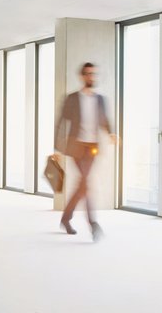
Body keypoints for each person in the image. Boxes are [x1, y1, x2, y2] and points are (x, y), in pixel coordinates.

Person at [54, 62, 117, 241]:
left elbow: (104, 119)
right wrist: (56, 148)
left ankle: (66, 218)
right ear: (82, 76)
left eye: (94, 74)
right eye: (88, 74)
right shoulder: (72, 98)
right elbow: (61, 122)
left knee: (83, 184)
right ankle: (93, 224)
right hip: (76, 146)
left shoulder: (100, 99)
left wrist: (111, 133)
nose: (92, 77)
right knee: (86, 184)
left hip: (92, 148)